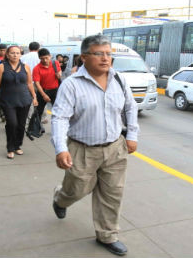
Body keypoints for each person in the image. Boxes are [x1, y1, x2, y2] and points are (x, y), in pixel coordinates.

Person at [51, 34, 139, 256]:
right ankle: (61, 199)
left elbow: (130, 107)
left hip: (115, 147)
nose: (105, 58)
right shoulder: (71, 85)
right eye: (99, 53)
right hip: (81, 149)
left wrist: (132, 135)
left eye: (108, 54)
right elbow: (60, 117)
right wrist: (61, 149)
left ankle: (107, 235)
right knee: (77, 189)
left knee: (112, 193)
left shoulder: (118, 79)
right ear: (84, 57)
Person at [0, 46, 38, 159]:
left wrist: (34, 97)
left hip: (24, 100)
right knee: (12, 124)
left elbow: (29, 83)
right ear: (7, 55)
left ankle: (17, 146)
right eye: (12, 53)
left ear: (21, 54)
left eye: (17, 53)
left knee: (21, 125)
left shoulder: (25, 67)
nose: (15, 55)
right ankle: (10, 147)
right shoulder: (1, 67)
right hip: (8, 101)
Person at [29, 48, 61, 128]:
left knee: (58, 110)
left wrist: (59, 74)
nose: (45, 60)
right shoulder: (37, 68)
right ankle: (35, 128)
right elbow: (37, 83)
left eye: (46, 58)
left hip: (55, 91)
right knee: (39, 111)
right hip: (43, 91)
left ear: (50, 56)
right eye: (42, 59)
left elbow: (59, 71)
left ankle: (58, 127)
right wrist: (44, 95)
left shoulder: (55, 63)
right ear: (39, 58)